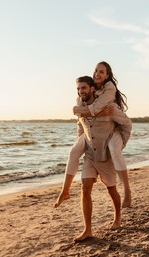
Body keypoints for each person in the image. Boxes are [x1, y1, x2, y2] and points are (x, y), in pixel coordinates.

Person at [55, 61, 132, 208]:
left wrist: (122, 142)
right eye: (96, 70)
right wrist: (82, 142)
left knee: (115, 152)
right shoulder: (84, 97)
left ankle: (127, 191)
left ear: (107, 75)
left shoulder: (109, 94)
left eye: (102, 71)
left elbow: (124, 122)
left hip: (112, 132)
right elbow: (81, 123)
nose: (97, 73)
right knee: (73, 152)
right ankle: (64, 191)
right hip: (91, 135)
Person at [70, 76, 132, 241]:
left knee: (111, 189)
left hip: (106, 155)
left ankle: (117, 217)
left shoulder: (109, 107)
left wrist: (120, 145)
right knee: (85, 188)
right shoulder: (81, 107)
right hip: (90, 154)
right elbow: (80, 127)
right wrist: (81, 147)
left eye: (83, 88)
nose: (80, 91)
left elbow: (126, 123)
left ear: (92, 89)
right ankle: (88, 230)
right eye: (78, 89)